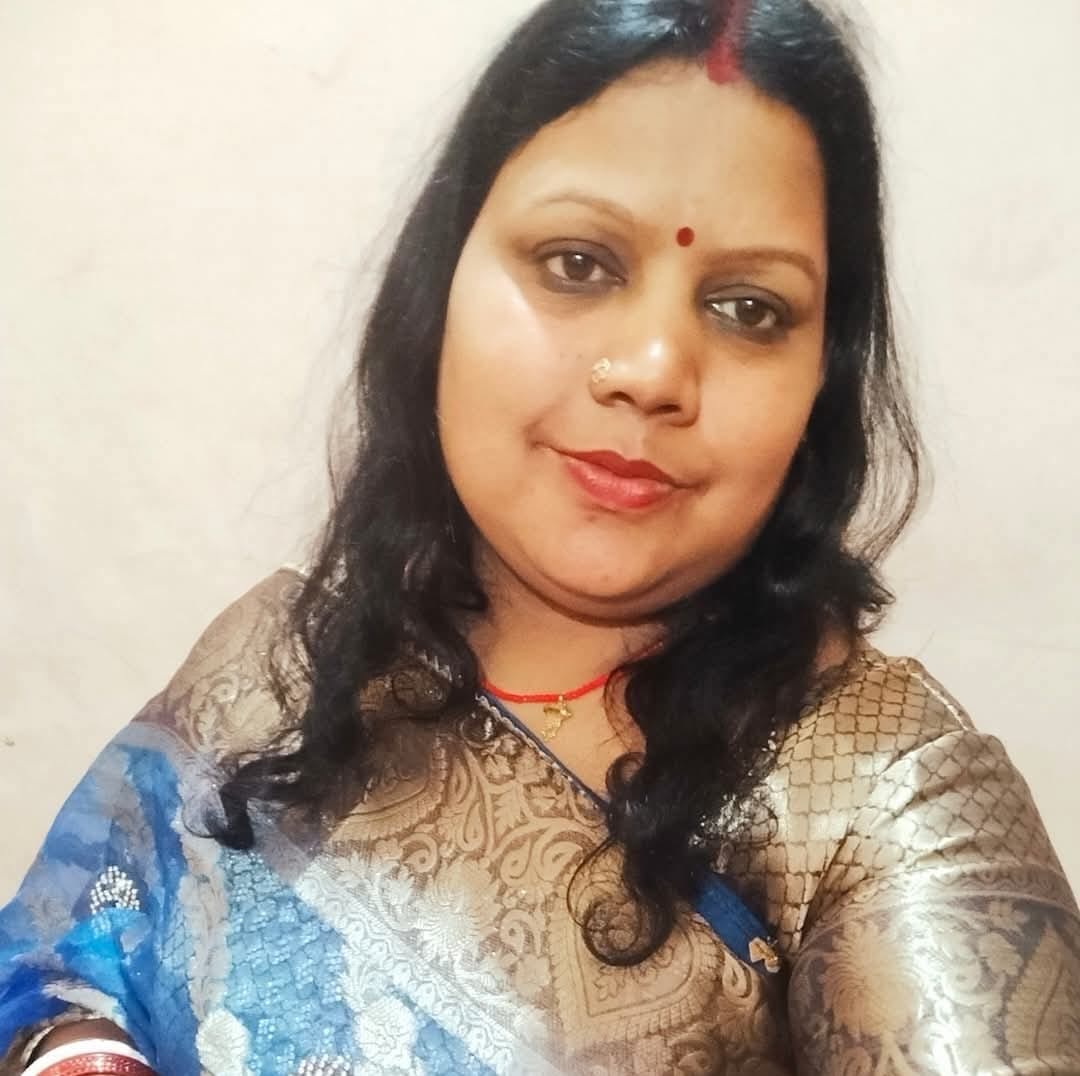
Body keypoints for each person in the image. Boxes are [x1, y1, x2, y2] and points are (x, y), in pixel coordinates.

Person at [2, 0, 1079, 1072]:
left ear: (822, 380)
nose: (652, 369)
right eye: (578, 263)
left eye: (749, 307)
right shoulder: (279, 655)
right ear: (441, 285)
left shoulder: (889, 802)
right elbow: (61, 957)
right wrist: (77, 1047)